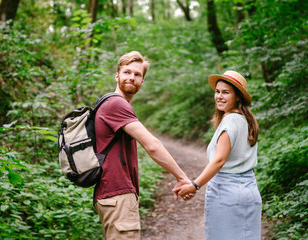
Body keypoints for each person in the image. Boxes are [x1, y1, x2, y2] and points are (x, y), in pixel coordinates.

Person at [93, 51, 192, 240]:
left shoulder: (114, 104)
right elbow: (152, 145)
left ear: (142, 81)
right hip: (118, 195)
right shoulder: (116, 104)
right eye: (127, 72)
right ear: (117, 76)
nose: (132, 77)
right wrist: (181, 177)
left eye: (137, 74)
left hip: (113, 196)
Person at [174, 70, 262, 239]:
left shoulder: (229, 121)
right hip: (249, 192)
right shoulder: (245, 120)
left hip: (227, 195)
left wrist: (195, 185)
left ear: (237, 97)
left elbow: (219, 160)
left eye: (226, 92)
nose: (219, 96)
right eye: (217, 91)